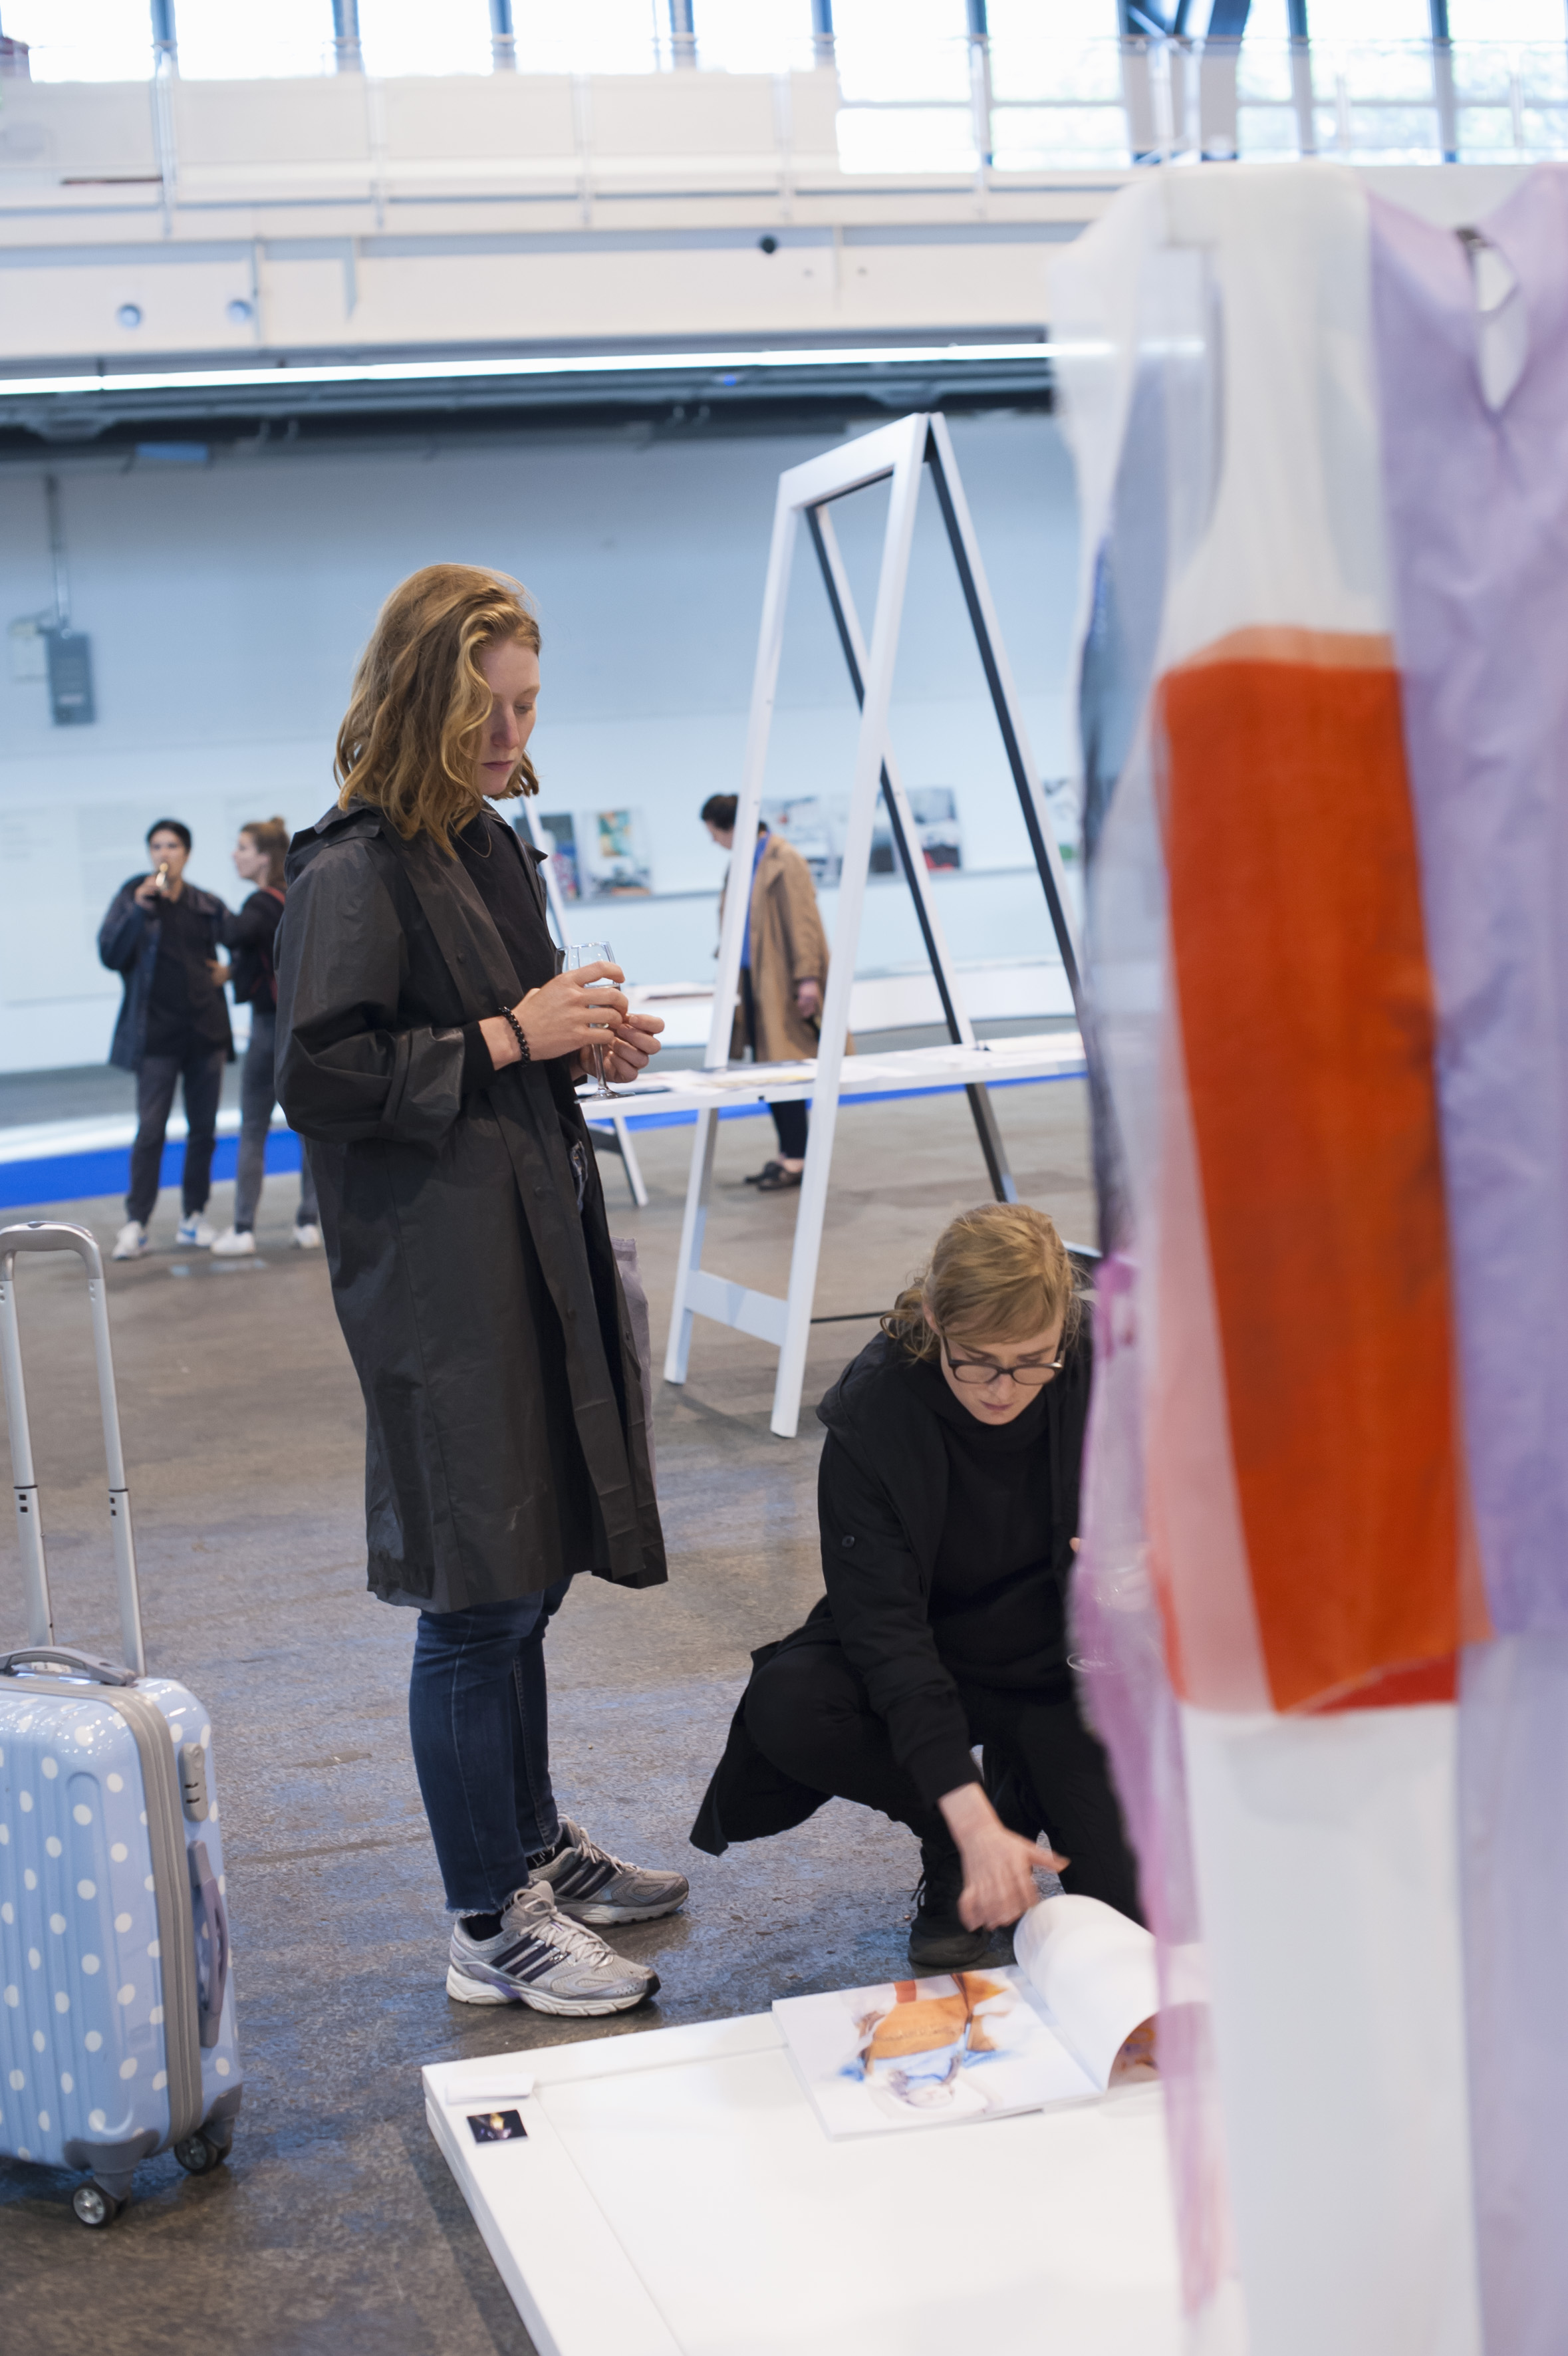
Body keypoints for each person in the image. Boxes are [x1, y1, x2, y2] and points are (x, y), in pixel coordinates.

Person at [276, 563, 687, 2018]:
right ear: (422, 700)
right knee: (477, 1590)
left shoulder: (484, 844)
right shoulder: (352, 869)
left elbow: (501, 1029)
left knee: (530, 1567)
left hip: (528, 1243)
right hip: (441, 1280)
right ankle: (484, 1917)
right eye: (489, 709)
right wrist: (515, 1035)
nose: (513, 735)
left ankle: (528, 1845)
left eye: (526, 706)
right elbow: (320, 1076)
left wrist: (581, 1039)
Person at [691, 1201, 1141, 1969]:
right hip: (937, 1652)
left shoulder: (1109, 1363)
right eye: (976, 1359)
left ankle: (1023, 1789)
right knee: (793, 1702)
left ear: (1065, 1327)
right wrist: (962, 1815)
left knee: (1136, 1923)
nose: (1003, 1389)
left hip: (1061, 1671)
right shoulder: (876, 1409)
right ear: (934, 1319)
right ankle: (959, 1836)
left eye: (1032, 1360)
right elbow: (885, 1635)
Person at [98, 819, 234, 1263]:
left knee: (203, 1132)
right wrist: (139, 910)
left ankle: (194, 1216)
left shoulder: (204, 903)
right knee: (151, 1131)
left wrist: (232, 971)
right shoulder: (133, 896)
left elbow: (247, 939)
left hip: (205, 1032)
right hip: (156, 1036)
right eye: (157, 845)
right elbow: (110, 954)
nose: (164, 853)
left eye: (172, 845)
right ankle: (136, 1223)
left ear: (186, 854)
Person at [702, 792, 831, 1192]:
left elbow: (804, 922)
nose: (714, 842)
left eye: (714, 833)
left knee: (784, 1070)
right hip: (754, 982)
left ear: (731, 827)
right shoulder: (743, 862)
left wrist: (807, 978)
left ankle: (797, 1158)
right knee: (769, 1072)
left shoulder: (784, 859)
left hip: (781, 983)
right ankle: (788, 1153)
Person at [207, 818, 322, 1257]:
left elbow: (233, 932)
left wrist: (207, 906)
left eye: (242, 848)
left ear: (264, 857)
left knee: (254, 1127)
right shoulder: (298, 895)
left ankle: (243, 1228)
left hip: (267, 1028)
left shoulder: (259, 903)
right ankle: (309, 1222)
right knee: (310, 1129)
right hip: (304, 1026)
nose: (234, 855)